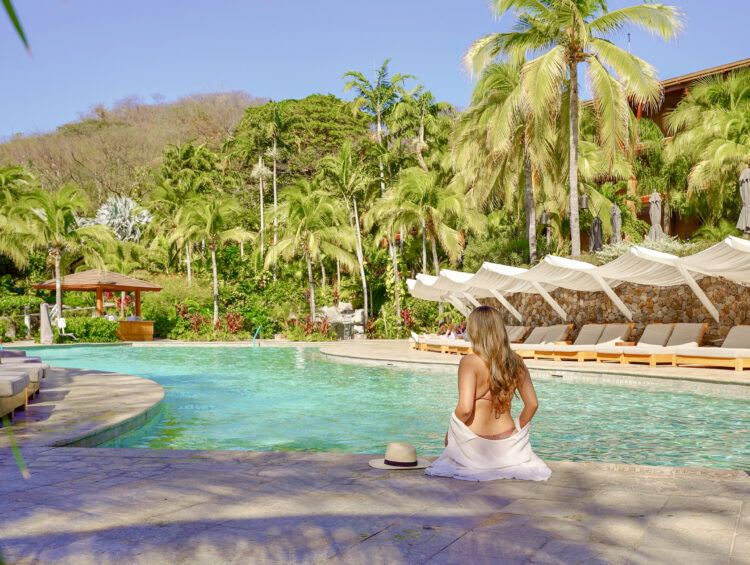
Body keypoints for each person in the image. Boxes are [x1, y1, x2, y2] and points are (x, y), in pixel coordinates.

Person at [425, 305, 551, 481]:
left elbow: (465, 409)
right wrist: (517, 430)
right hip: (508, 447)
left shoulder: (469, 362)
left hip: (475, 449)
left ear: (474, 331)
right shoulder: (516, 362)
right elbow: (532, 404)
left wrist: (450, 432)